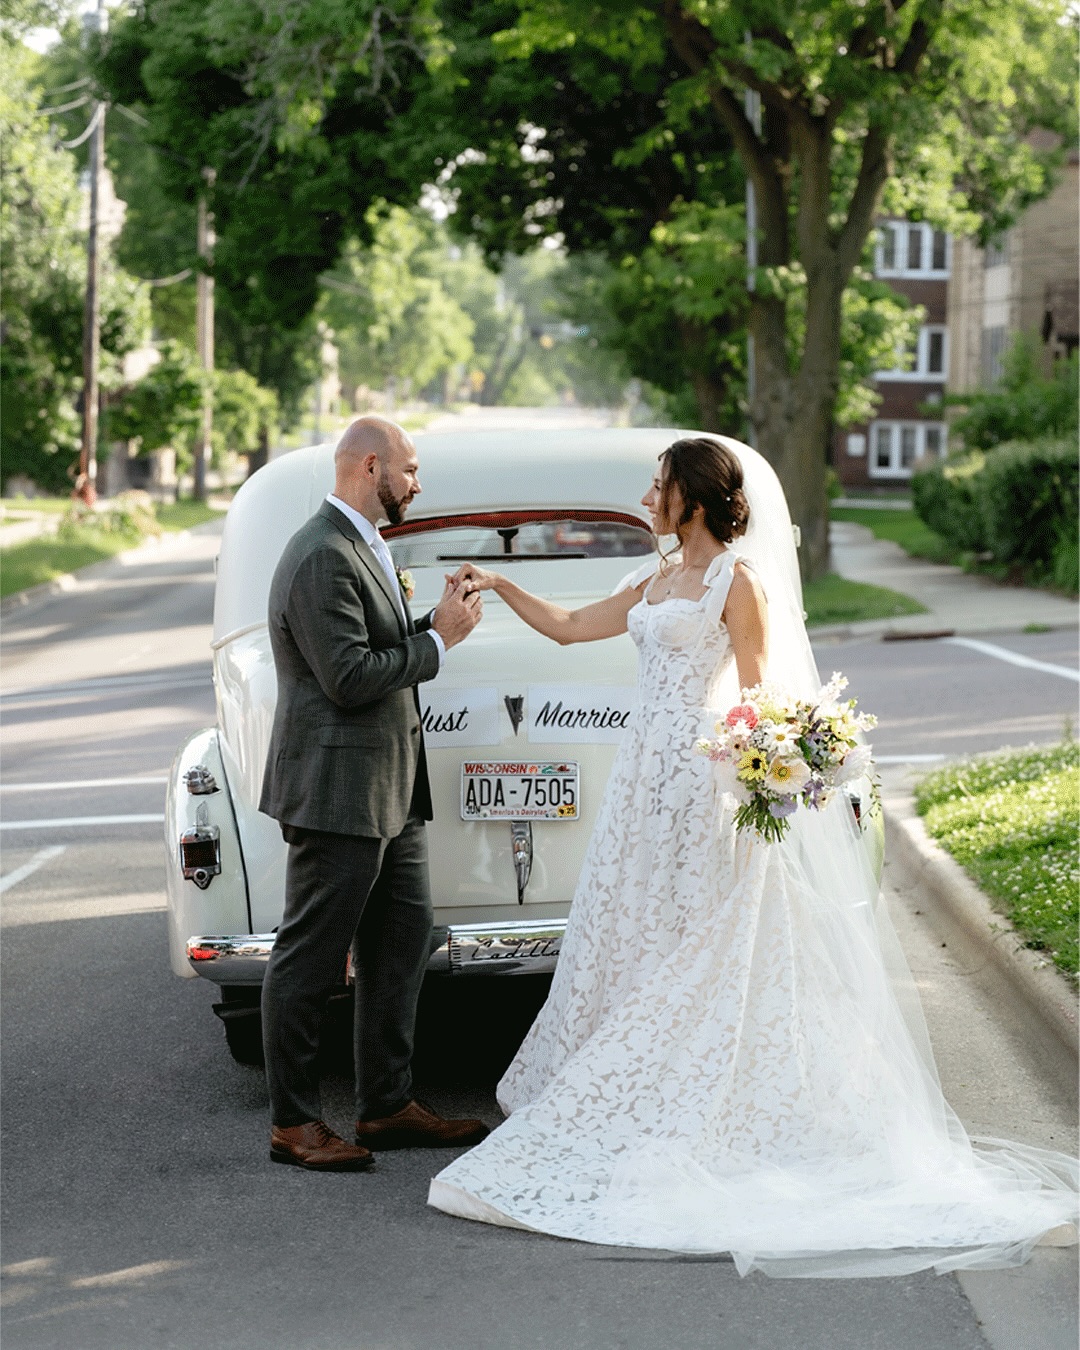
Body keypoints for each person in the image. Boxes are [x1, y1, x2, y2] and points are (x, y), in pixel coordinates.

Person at [427, 435, 1077, 1277]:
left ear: (691, 496)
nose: (647, 495)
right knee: (636, 928)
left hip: (702, 786)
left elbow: (762, 697)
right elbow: (567, 629)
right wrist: (504, 582)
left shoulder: (739, 580)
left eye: (657, 484)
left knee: (708, 936)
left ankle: (711, 1101)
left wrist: (762, 771)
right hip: (639, 787)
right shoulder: (651, 576)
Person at [259, 416, 491, 1171]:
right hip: (338, 792)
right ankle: (294, 1125)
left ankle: (387, 1107)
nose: (417, 484)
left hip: (392, 791)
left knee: (400, 946)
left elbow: (374, 642)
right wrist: (438, 644)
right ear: (370, 466)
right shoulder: (322, 554)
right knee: (310, 959)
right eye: (411, 469)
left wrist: (433, 618)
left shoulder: (363, 545)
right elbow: (351, 677)